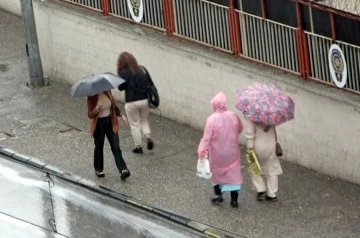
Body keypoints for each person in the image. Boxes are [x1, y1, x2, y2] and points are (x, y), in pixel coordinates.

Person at [198, 92, 243, 208]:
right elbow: (240, 128)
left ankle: (218, 194)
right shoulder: (233, 116)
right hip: (232, 151)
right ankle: (234, 199)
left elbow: (206, 138)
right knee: (234, 174)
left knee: (216, 172)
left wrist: (202, 151)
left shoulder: (212, 120)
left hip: (217, 152)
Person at [87, 90, 131, 180]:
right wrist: (96, 108)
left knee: (116, 146)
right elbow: (90, 115)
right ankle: (98, 169)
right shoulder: (91, 96)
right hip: (99, 123)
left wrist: (120, 115)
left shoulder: (107, 92)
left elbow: (114, 106)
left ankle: (123, 169)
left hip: (110, 121)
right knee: (99, 146)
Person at [117, 52, 154, 154]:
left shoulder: (123, 73)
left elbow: (120, 88)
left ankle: (138, 147)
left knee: (135, 124)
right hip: (144, 100)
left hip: (131, 101)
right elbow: (150, 83)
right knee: (144, 120)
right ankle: (148, 137)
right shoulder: (141, 69)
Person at [245, 121, 283, 202]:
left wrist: (249, 148)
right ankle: (272, 194)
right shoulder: (272, 115)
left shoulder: (253, 116)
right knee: (272, 169)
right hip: (271, 145)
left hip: (256, 146)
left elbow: (250, 134)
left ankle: (261, 190)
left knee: (254, 168)